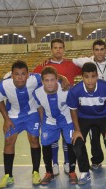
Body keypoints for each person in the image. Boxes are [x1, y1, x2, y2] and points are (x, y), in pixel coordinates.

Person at [72, 39, 106, 170]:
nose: (99, 52)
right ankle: (96, 160)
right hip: (92, 105)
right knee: (94, 137)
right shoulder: (87, 61)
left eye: (102, 49)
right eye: (97, 49)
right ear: (93, 51)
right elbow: (69, 61)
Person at [33, 38, 82, 176]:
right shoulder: (43, 66)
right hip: (50, 108)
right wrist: (62, 76)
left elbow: (87, 69)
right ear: (51, 50)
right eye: (55, 47)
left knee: (68, 139)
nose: (58, 50)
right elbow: (34, 78)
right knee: (52, 139)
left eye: (61, 47)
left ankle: (68, 162)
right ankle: (54, 164)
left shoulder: (71, 64)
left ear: (64, 49)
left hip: (67, 106)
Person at [67, 62, 106, 185]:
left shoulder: (105, 87)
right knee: (77, 144)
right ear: (82, 77)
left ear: (97, 76)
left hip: (104, 117)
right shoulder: (75, 90)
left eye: (93, 76)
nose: (90, 80)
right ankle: (84, 172)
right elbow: (73, 110)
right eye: (86, 77)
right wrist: (77, 130)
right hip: (84, 118)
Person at [0, 60, 42, 189]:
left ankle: (36, 172)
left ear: (28, 74)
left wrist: (63, 78)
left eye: (23, 74)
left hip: (32, 114)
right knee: (9, 141)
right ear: (12, 75)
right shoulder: (4, 85)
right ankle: (8, 175)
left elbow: (49, 76)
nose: (20, 78)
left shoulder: (35, 79)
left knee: (34, 139)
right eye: (16, 74)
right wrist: (6, 119)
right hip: (14, 115)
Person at [33, 66, 78, 185]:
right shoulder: (37, 93)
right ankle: (49, 172)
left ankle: (72, 172)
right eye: (46, 80)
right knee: (45, 143)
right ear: (42, 81)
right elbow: (40, 108)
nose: (50, 83)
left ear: (57, 79)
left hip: (67, 120)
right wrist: (43, 124)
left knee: (71, 142)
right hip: (50, 121)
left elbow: (74, 108)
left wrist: (76, 126)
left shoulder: (66, 89)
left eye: (52, 80)